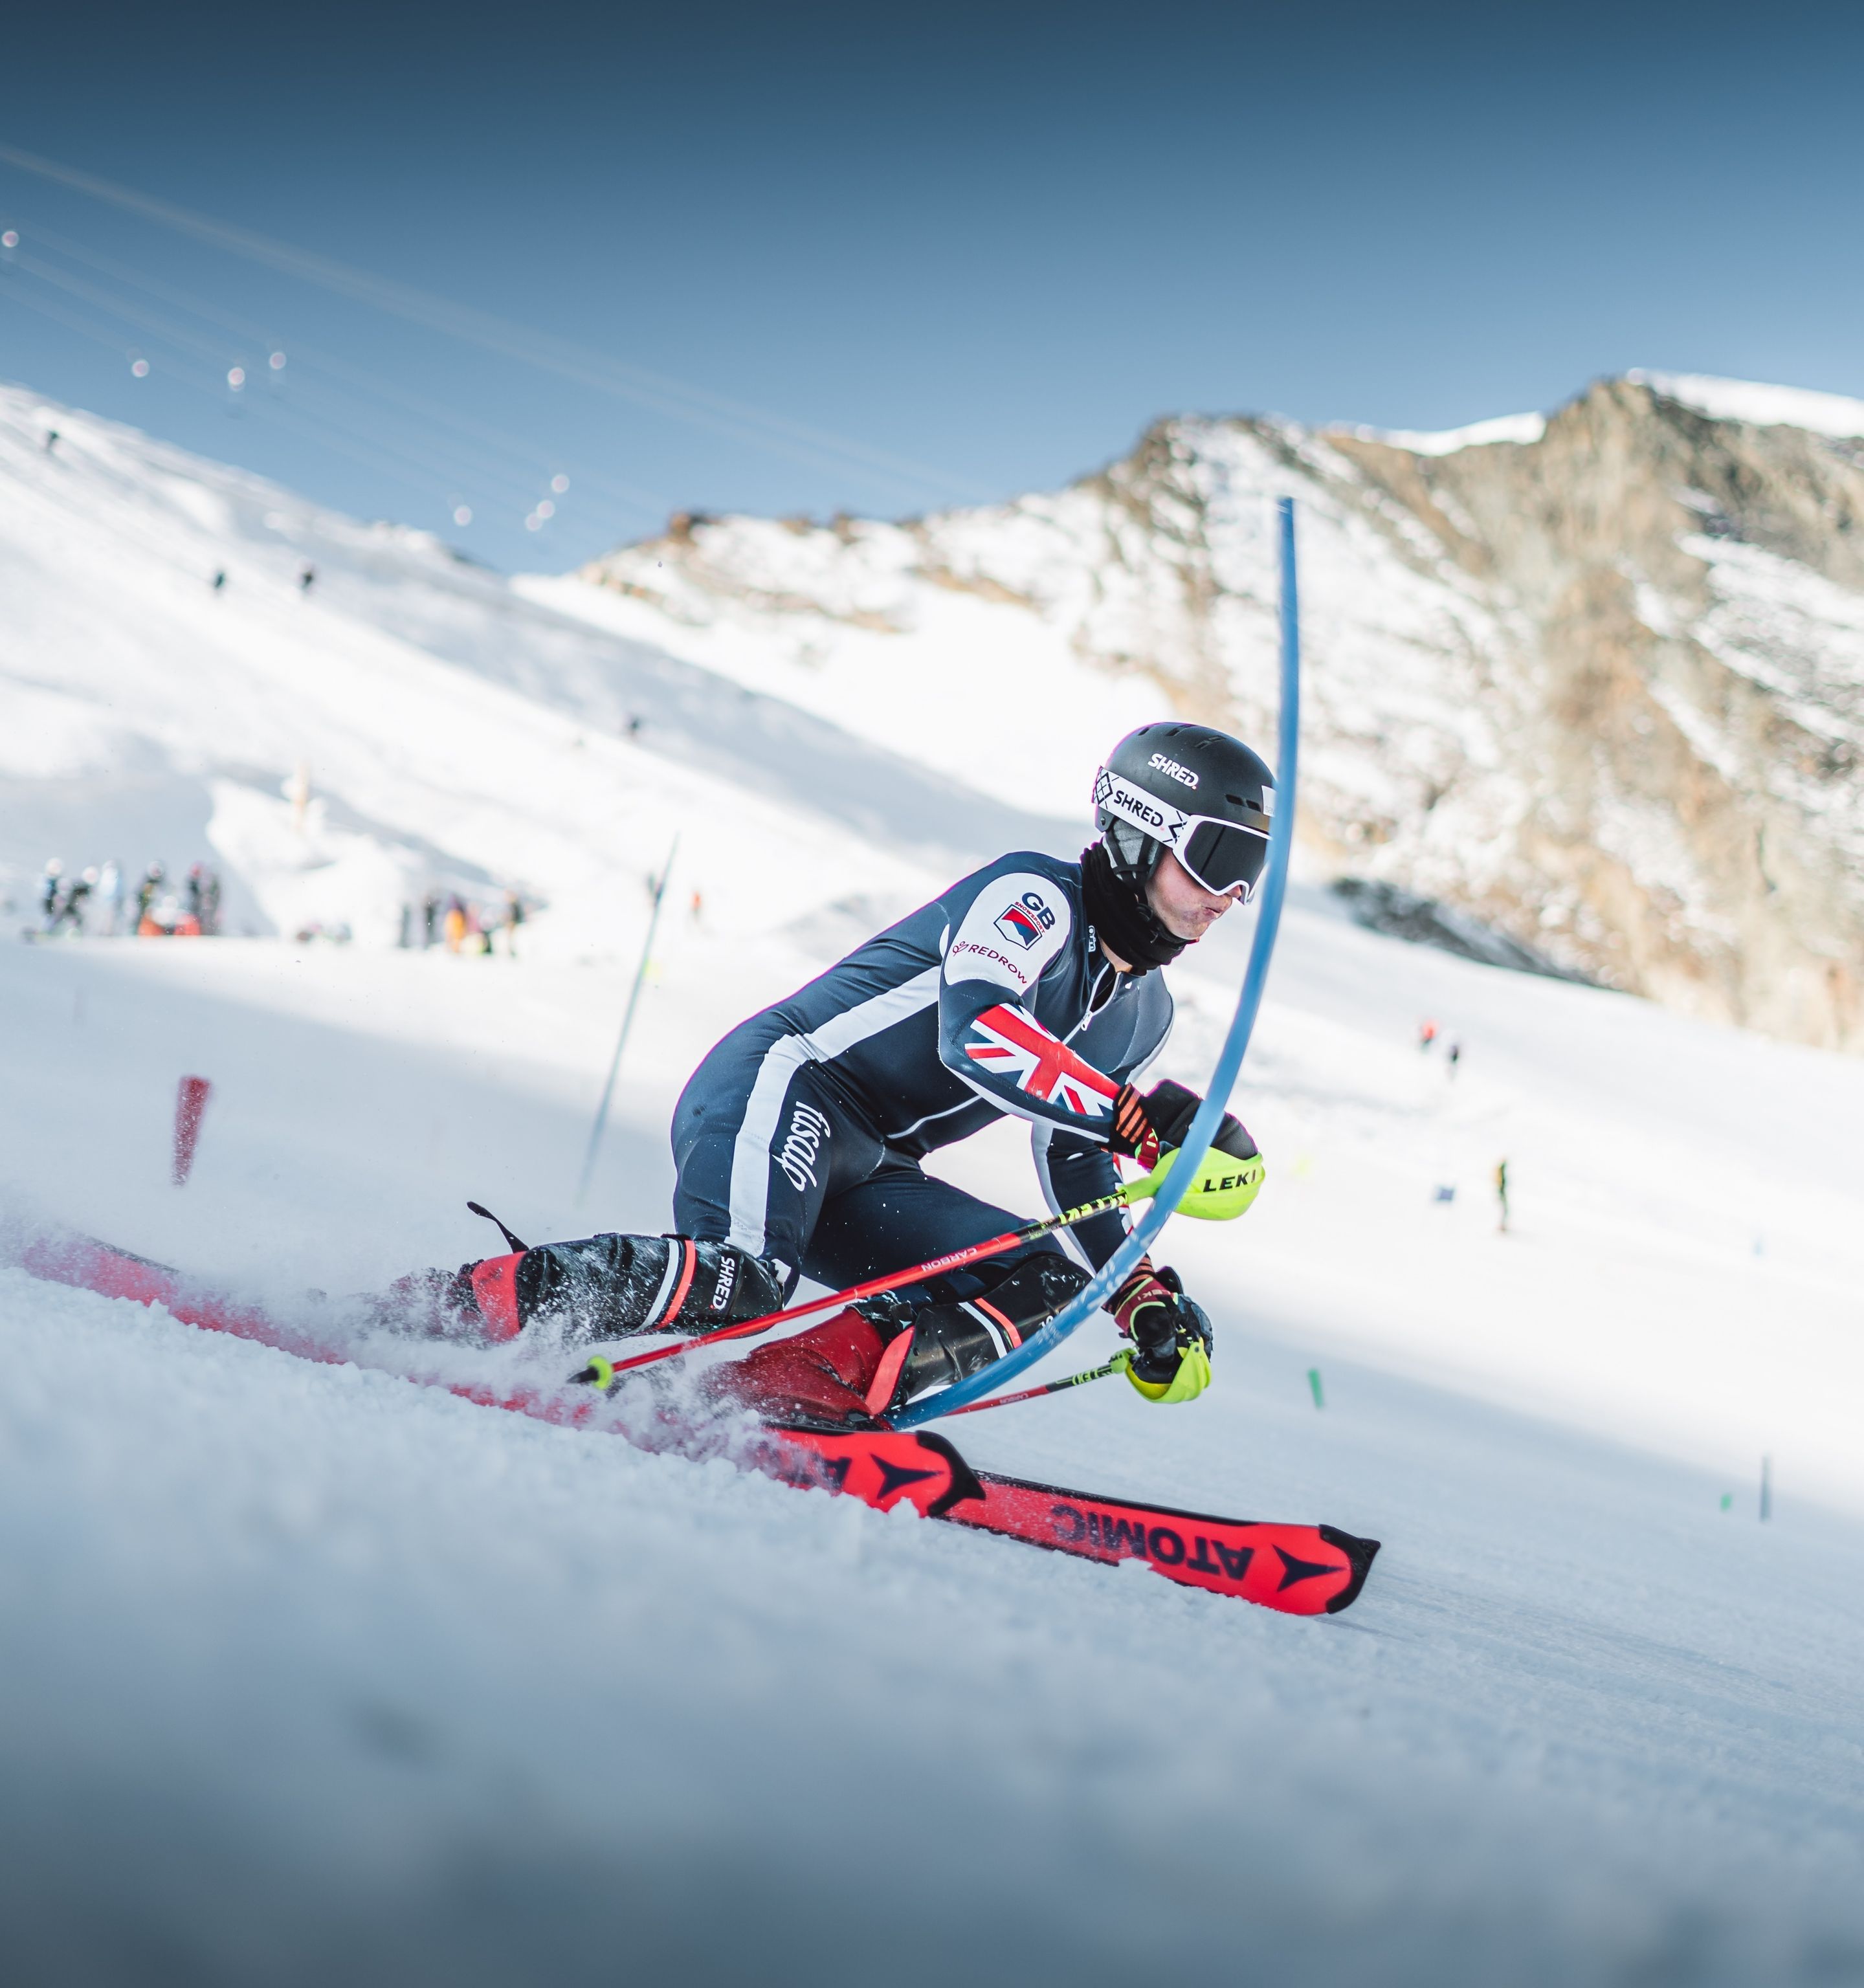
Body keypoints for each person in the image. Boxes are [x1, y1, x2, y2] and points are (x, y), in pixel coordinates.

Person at [406, 723, 1272, 1430]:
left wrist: (1140, 1296)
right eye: (1215, 856)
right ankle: (454, 1312)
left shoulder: (1143, 1014)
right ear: (1138, 829)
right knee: (742, 1278)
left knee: (1045, 1274)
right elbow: (978, 1030)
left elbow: (1077, 1167)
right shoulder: (1035, 899)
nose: (1228, 895)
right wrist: (1130, 1116)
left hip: (876, 1168)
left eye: (1250, 870)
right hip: (790, 1085)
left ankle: (778, 1399)